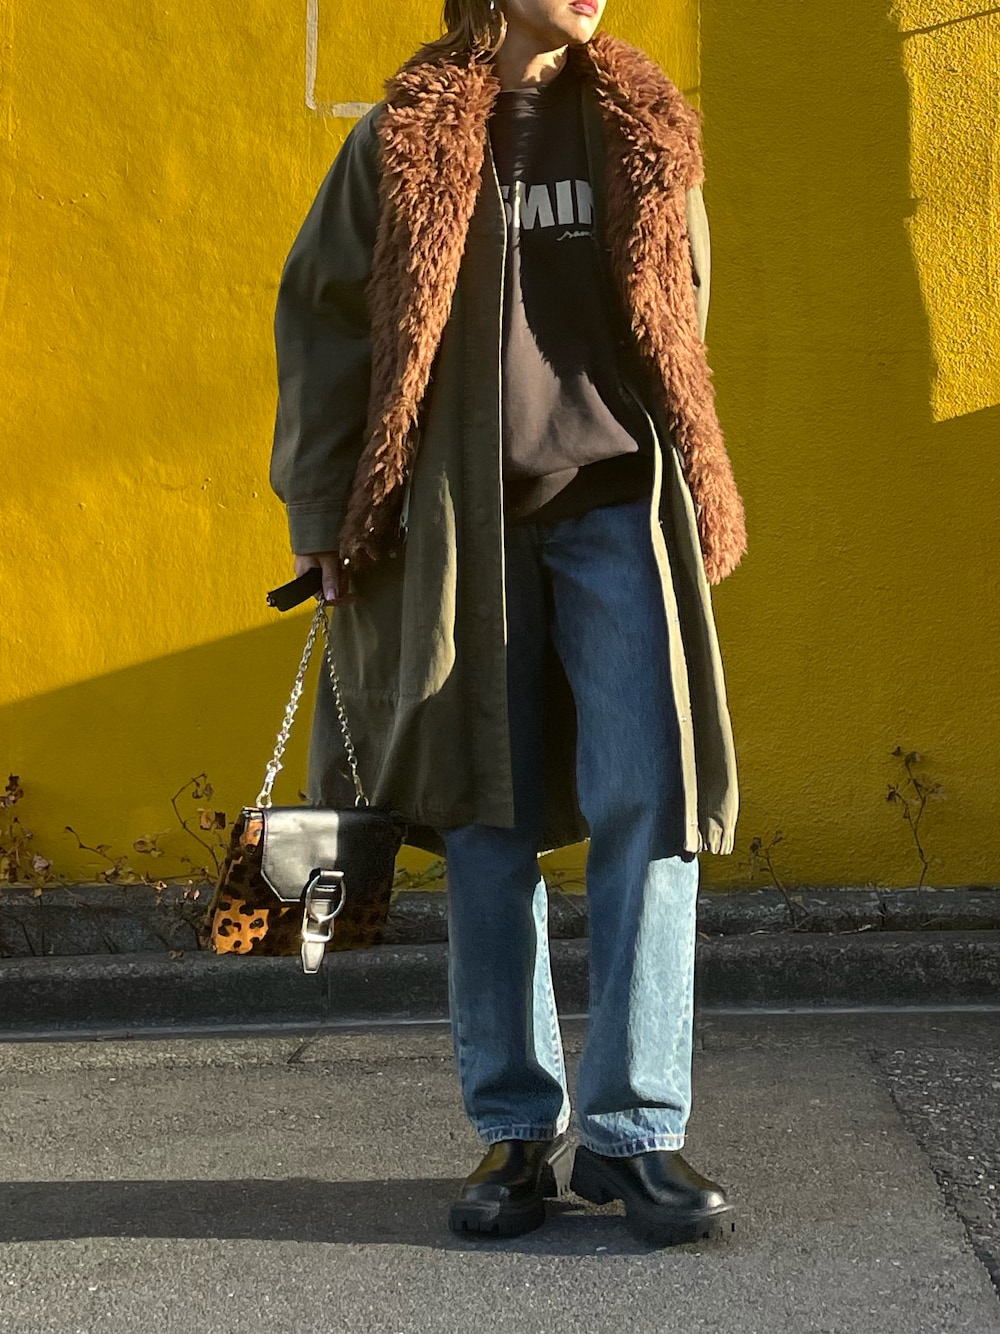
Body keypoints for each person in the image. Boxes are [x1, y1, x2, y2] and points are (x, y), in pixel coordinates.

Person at [270, 0, 747, 1248]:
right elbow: (324, 320)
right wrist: (322, 506)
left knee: (654, 799)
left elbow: (682, 308)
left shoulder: (644, 121)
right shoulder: (403, 134)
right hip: (457, 524)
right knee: (488, 818)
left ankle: (635, 1132)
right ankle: (516, 1127)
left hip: (617, 510)